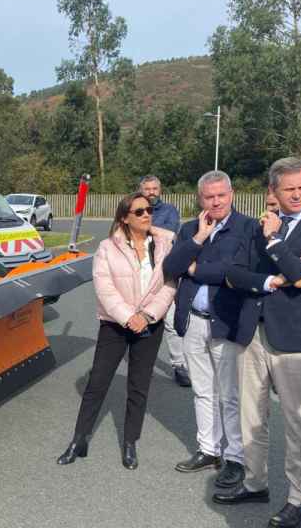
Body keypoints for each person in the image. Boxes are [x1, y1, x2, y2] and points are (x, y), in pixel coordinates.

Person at [214, 157, 301, 528]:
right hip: (253, 334)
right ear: (274, 191)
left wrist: (275, 243)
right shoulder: (256, 228)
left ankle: (300, 501)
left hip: (297, 342)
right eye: (290, 189)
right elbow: (233, 275)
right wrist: (271, 280)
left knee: (298, 424)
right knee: (251, 417)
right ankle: (254, 483)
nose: (298, 194)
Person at [57, 192, 176, 470]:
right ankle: (79, 439)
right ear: (125, 218)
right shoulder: (107, 248)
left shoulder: (164, 244)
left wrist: (147, 316)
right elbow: (104, 289)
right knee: (97, 382)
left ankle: (130, 442)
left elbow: (170, 284)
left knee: (138, 385)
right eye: (139, 212)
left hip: (150, 323)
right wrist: (128, 317)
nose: (146, 215)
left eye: (148, 210)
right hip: (115, 324)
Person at [163, 171, 255, 490]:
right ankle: (209, 449)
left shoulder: (247, 228)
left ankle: (234, 457)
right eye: (208, 196)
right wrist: (198, 240)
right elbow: (170, 268)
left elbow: (236, 272)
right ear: (199, 198)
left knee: (229, 394)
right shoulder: (190, 229)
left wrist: (196, 269)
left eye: (221, 195)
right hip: (193, 320)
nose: (215, 202)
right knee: (203, 390)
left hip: (225, 321)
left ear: (232, 194)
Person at [138, 175, 188, 387]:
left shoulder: (170, 211)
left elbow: (170, 236)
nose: (151, 192)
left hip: (164, 275)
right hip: (139, 274)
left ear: (161, 190)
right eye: (147, 189)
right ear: (141, 191)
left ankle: (180, 366)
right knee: (141, 323)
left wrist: (144, 228)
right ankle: (142, 366)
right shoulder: (132, 208)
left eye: (155, 188)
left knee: (170, 323)